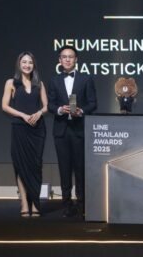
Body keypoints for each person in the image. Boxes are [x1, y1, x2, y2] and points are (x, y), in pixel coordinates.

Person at [47, 45, 97, 217]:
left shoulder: (86, 78)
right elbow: (50, 104)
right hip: (61, 131)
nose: (67, 59)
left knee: (80, 168)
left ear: (76, 59)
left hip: (79, 130)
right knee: (64, 168)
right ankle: (67, 204)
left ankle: (82, 204)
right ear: (59, 60)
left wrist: (81, 111)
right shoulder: (54, 80)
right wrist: (60, 109)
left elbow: (93, 103)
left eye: (70, 56)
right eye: (64, 57)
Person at [1, 51, 48, 217]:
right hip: (20, 128)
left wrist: (39, 113)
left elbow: (46, 106)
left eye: (30, 62)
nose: (27, 65)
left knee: (35, 166)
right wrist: (22, 115)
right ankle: (24, 203)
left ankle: (35, 203)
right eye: (24, 62)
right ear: (19, 64)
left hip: (37, 129)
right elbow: (4, 106)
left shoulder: (39, 84)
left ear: (34, 65)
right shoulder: (11, 82)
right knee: (21, 166)